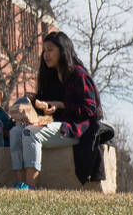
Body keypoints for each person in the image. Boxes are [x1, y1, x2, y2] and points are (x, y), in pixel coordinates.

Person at [8, 30, 102, 190]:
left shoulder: (79, 75)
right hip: (52, 125)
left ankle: (30, 187)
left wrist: (61, 105)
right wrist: (33, 104)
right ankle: (20, 184)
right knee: (16, 131)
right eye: (44, 50)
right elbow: (46, 107)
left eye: (50, 50)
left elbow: (90, 109)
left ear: (63, 50)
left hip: (74, 129)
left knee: (30, 133)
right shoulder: (50, 77)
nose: (46, 54)